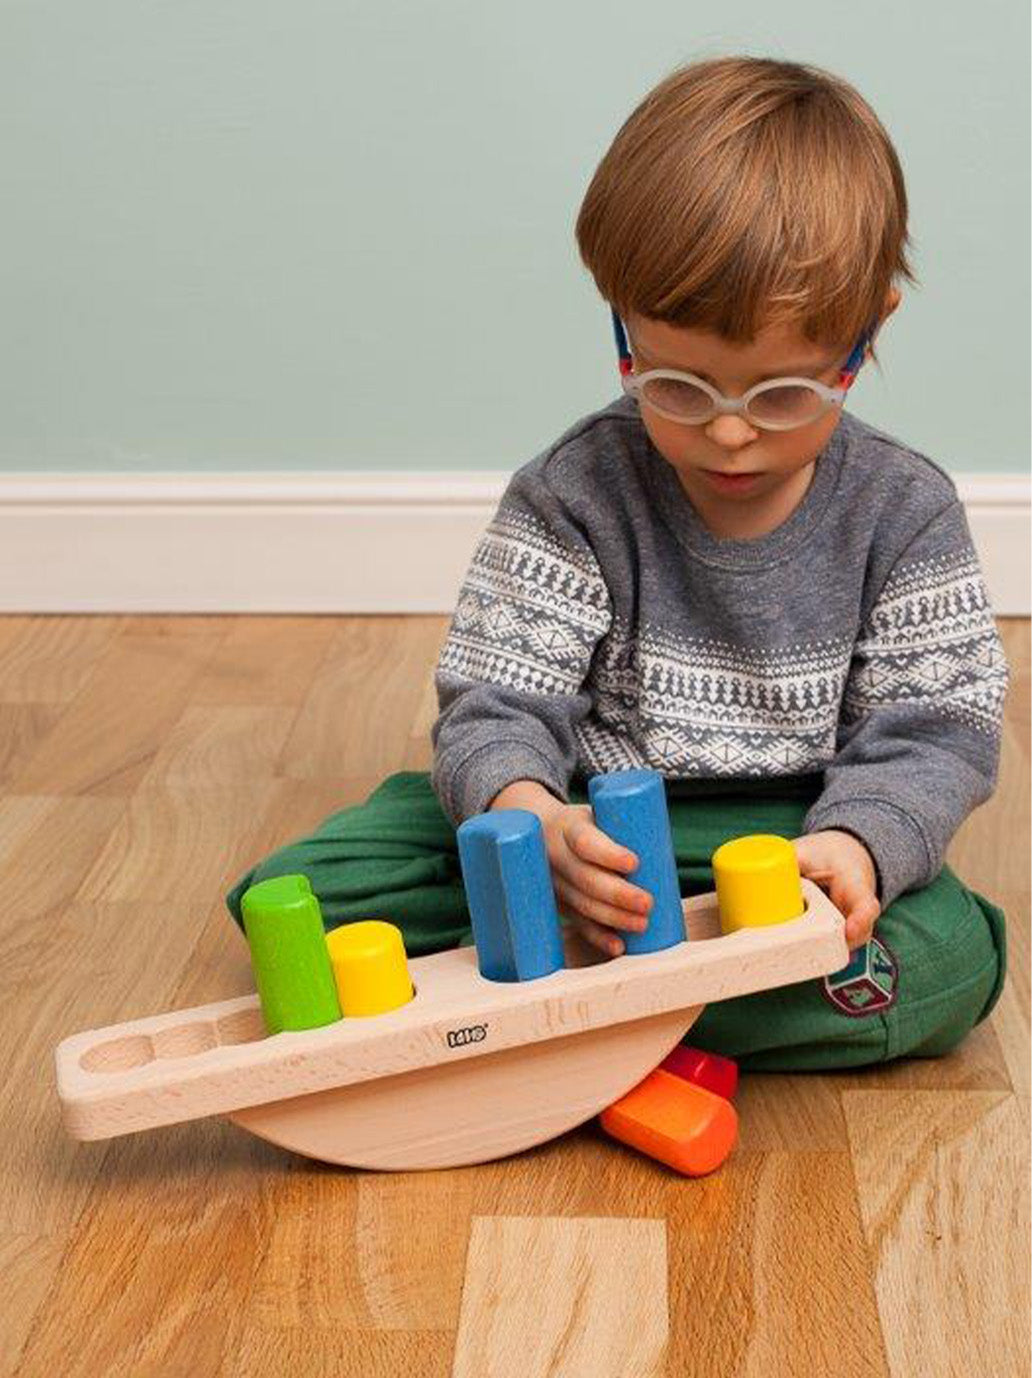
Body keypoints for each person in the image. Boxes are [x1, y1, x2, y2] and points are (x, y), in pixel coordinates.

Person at [226, 55, 1009, 1070]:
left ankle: (544, 999)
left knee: (946, 957)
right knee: (306, 889)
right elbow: (495, 706)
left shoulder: (906, 513)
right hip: (584, 811)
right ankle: (616, 973)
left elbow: (936, 735)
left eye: (781, 398)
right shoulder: (572, 493)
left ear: (864, 339)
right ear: (622, 326)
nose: (731, 436)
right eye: (680, 387)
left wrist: (856, 847)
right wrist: (531, 825)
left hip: (784, 833)